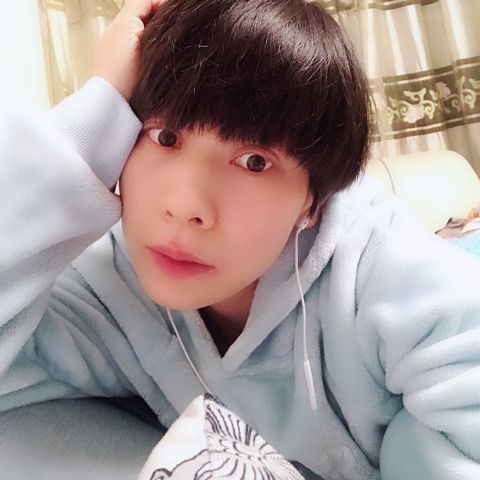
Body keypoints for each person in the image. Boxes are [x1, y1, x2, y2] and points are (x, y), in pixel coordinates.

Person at [1, 0, 480, 479]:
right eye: (164, 137)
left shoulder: (386, 273)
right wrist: (95, 111)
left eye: (254, 162)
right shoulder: (106, 285)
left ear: (313, 200)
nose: (186, 206)